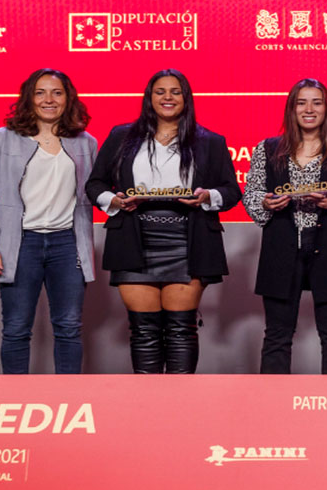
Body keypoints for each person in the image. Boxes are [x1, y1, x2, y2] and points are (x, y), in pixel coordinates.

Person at [85, 69, 240, 373]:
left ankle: (180, 408)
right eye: (160, 91)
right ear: (149, 97)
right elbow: (95, 184)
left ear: (186, 98)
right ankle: (149, 410)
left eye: (175, 91)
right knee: (143, 331)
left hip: (188, 241)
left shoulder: (211, 141)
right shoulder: (121, 136)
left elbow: (231, 191)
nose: (167, 97)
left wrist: (207, 196)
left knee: (182, 329)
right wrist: (112, 200)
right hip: (133, 238)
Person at [0, 68, 97, 374]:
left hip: (68, 244)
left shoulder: (86, 142)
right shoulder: (3, 139)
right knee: (16, 327)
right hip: (20, 243)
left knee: (69, 326)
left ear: (69, 98)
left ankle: (67, 400)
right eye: (40, 92)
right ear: (29, 97)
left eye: (57, 92)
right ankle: (18, 399)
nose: (49, 100)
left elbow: (96, 192)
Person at [244, 78, 327, 374]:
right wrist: (265, 202)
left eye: (316, 102)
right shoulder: (267, 149)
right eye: (301, 102)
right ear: (291, 108)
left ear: (326, 109)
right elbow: (251, 194)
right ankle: (273, 405)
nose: (309, 109)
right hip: (282, 244)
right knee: (277, 335)